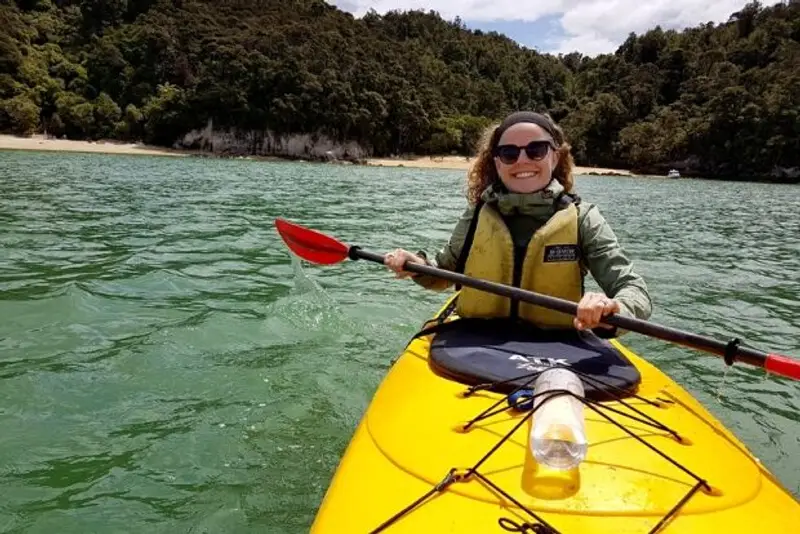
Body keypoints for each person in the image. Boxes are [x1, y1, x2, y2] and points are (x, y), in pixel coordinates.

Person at [383, 111, 652, 334]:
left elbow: (634, 291)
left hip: (557, 348)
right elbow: (442, 273)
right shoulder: (478, 213)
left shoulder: (584, 218)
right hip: (475, 342)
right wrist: (417, 267)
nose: (522, 160)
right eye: (509, 153)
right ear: (497, 163)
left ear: (555, 157)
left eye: (536, 150)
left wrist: (612, 308)